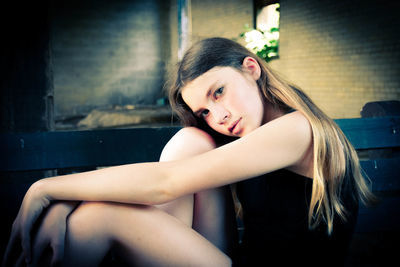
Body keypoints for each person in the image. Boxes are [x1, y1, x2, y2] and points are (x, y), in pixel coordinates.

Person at [3, 37, 374, 267]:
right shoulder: (242, 133)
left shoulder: (297, 130)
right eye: (205, 112)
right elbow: (163, 186)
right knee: (191, 142)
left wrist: (46, 190)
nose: (220, 116)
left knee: (101, 217)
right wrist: (64, 205)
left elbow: (164, 184)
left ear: (251, 68)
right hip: (237, 258)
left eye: (218, 92)